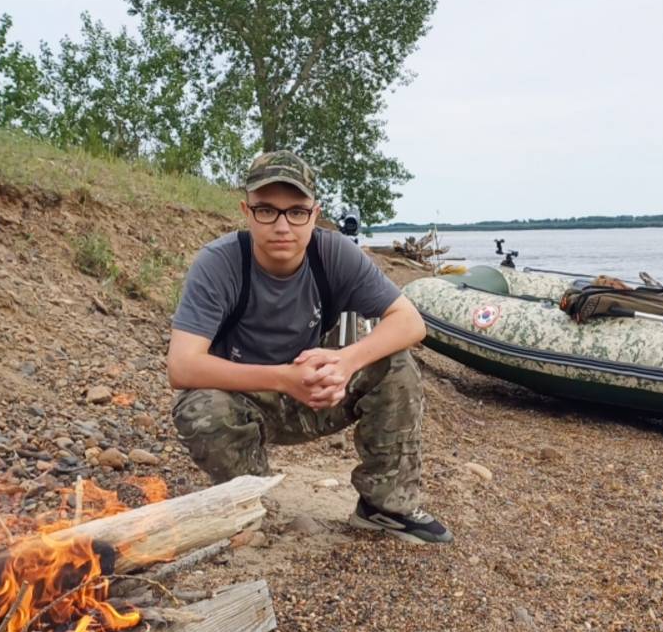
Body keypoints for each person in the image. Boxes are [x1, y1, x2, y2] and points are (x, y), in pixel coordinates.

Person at [166, 151, 452, 544]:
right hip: (247, 401)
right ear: (246, 211)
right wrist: (284, 378)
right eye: (267, 210)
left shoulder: (333, 253)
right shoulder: (219, 264)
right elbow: (181, 366)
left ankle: (386, 507)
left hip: (319, 391)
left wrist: (345, 361)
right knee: (199, 406)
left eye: (296, 211)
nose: (282, 226)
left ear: (315, 214)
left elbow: (410, 321)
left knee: (395, 363)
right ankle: (249, 499)